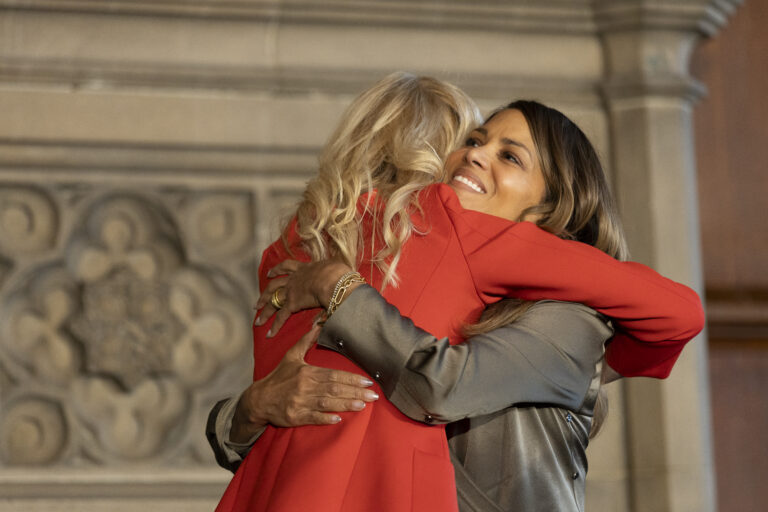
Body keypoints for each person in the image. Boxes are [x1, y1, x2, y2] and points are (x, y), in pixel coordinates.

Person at [212, 76, 704, 512]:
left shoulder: (294, 248)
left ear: (550, 210)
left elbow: (441, 386)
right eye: (473, 140)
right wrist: (250, 408)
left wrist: (589, 362)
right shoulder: (431, 231)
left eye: (509, 156)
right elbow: (274, 399)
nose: (475, 155)